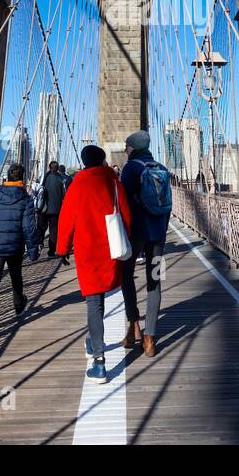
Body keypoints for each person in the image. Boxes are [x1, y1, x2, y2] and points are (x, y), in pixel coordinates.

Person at [57, 144, 131, 384]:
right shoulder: (113, 181)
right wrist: (127, 239)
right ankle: (93, 342)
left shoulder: (77, 184)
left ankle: (99, 361)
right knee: (98, 299)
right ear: (102, 160)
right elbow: (126, 215)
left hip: (87, 249)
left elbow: (67, 218)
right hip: (110, 248)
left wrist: (62, 248)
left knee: (93, 301)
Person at [119, 129, 172, 356]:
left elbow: (122, 203)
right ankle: (150, 338)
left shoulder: (130, 169)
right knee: (156, 281)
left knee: (125, 275)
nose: (125, 149)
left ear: (133, 148)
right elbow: (167, 205)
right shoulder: (162, 168)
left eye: (127, 146)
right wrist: (162, 230)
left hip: (135, 235)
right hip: (158, 235)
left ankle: (134, 326)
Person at [0, 163, 38, 339]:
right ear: (22, 180)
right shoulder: (26, 200)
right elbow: (29, 227)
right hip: (14, 245)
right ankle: (19, 305)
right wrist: (33, 249)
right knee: (15, 275)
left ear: (7, 178)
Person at [37, 159, 67, 261]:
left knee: (41, 228)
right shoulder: (60, 180)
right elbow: (64, 194)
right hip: (55, 210)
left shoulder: (43, 178)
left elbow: (37, 190)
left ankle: (39, 244)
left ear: (49, 168)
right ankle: (51, 251)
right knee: (53, 231)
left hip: (43, 209)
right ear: (57, 169)